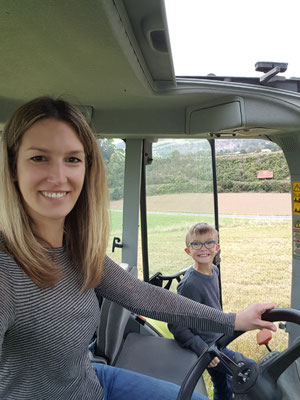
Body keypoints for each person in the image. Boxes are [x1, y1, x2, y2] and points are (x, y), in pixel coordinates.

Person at [0, 97, 276, 400]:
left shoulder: (77, 248)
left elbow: (142, 295)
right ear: (13, 167)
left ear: (87, 169)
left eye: (72, 159)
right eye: (39, 158)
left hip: (91, 381)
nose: (58, 176)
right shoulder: (5, 271)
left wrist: (233, 320)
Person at [168, 223, 256, 400]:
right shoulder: (189, 285)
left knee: (223, 385)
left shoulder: (214, 271)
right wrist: (202, 349)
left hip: (220, 339)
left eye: (209, 243)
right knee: (250, 369)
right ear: (188, 250)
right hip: (210, 348)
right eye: (196, 244)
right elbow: (176, 325)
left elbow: (212, 306)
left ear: (217, 248)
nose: (203, 248)